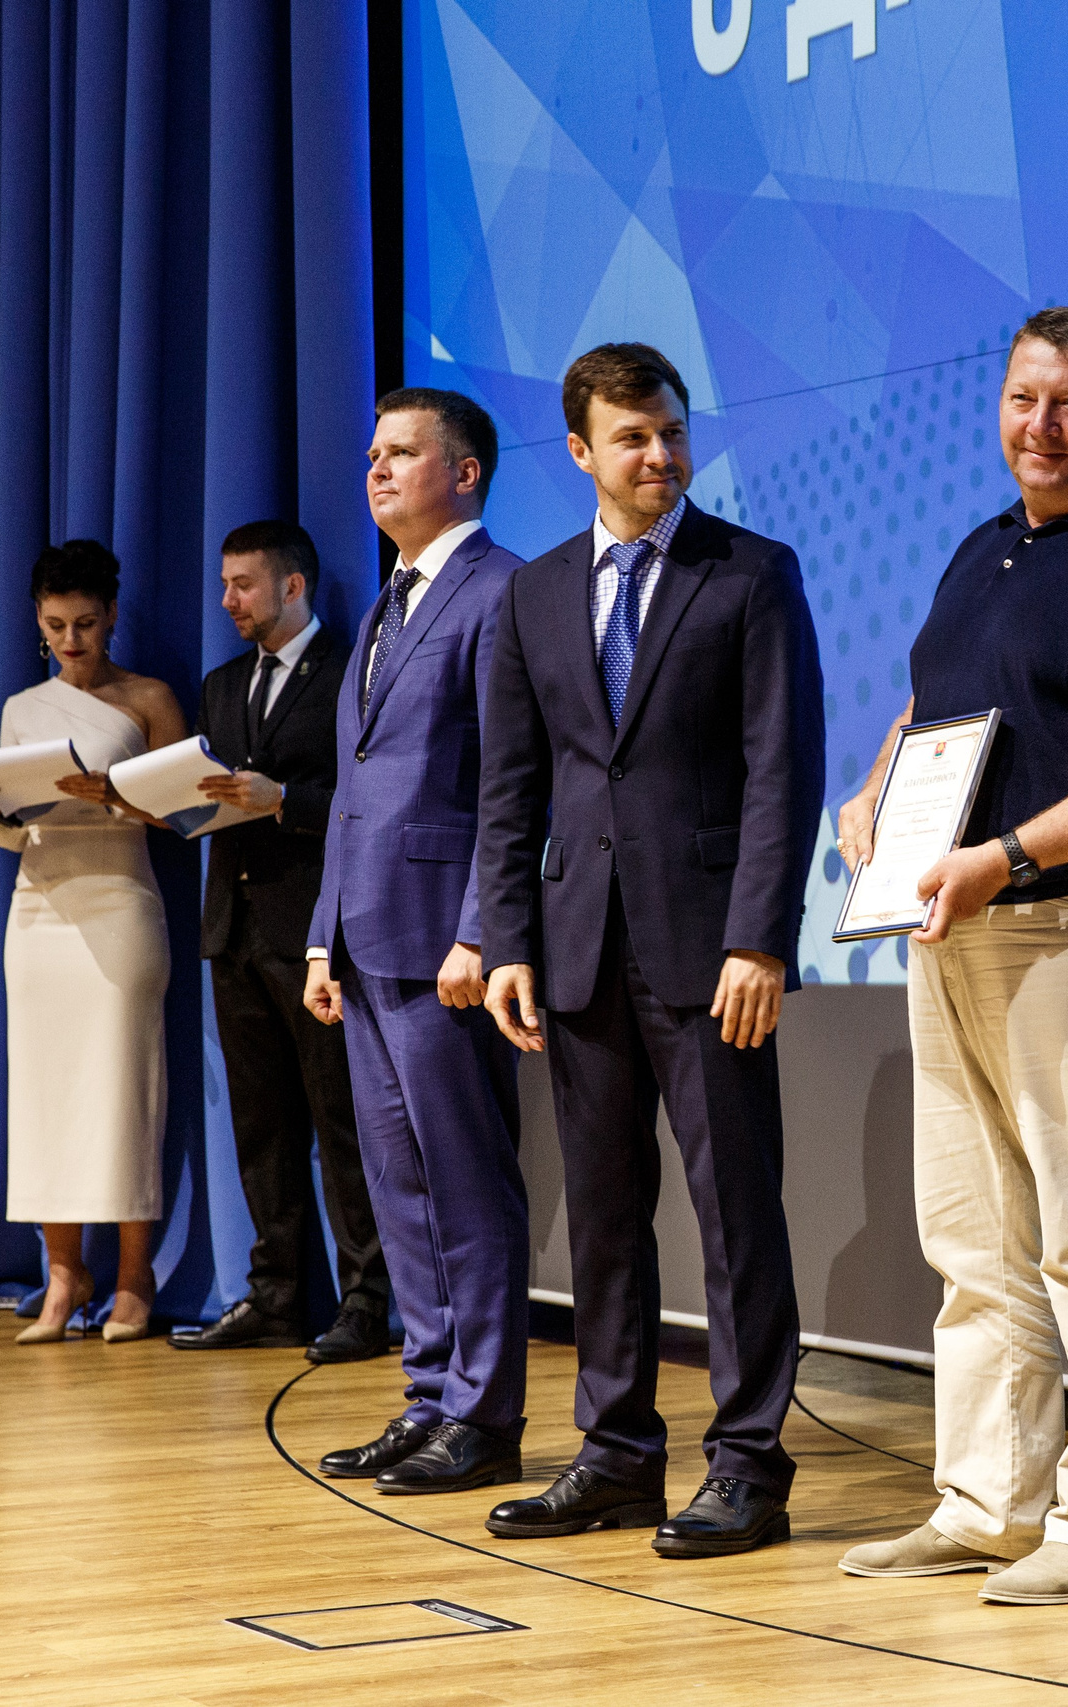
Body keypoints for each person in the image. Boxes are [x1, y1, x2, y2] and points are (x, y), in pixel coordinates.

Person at [834, 306, 1068, 1605]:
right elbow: (929, 702)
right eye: (1019, 400)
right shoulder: (985, 544)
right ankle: (990, 1499)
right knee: (974, 1233)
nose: (1037, 428)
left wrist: (1005, 856)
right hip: (949, 927)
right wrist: (871, 797)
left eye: (1066, 405)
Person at [475, 342, 823, 1559]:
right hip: (574, 949)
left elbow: (784, 772)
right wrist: (503, 934)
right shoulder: (534, 591)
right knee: (606, 1218)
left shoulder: (750, 575)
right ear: (580, 451)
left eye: (671, 431)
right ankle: (616, 1455)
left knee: (736, 1216)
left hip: (707, 948)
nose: (660, 454)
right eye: (631, 437)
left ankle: (748, 1468)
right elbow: (512, 785)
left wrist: (759, 940)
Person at [301, 390, 533, 1496]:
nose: (377, 469)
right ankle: (430, 1393)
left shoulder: (503, 592)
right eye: (371, 452)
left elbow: (507, 780)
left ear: (468, 471)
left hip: (446, 946)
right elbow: (356, 788)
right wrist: (318, 941)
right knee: (399, 1185)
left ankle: (485, 1414)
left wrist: (483, 932)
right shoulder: (388, 603)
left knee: (466, 1182)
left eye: (402, 452)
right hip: (365, 937)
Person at [168, 520, 389, 1362]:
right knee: (260, 1129)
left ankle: (367, 1301)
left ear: (293, 586)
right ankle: (276, 1295)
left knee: (340, 1123)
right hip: (234, 928)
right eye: (225, 584)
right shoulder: (222, 683)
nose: (228, 600)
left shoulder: (350, 673)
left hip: (318, 932)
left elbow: (369, 793)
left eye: (244, 585)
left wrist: (283, 799)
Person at [0, 539, 184, 1344]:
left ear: (112, 614)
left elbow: (184, 812)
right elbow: (24, 835)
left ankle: (133, 1275)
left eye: (85, 622)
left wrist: (115, 795)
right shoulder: (24, 707)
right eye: (56, 625)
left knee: (124, 1089)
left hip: (121, 901)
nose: (72, 639)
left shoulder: (150, 698)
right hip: (40, 912)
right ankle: (62, 1275)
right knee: (46, 1092)